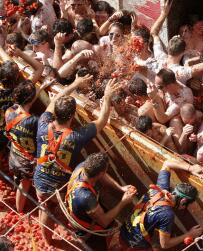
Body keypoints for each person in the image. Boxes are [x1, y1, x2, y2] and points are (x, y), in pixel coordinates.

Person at [33, 74, 120, 246]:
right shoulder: (76, 137)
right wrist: (107, 97)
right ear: (73, 116)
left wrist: (74, 83)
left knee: (45, 208)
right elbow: (102, 121)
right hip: (59, 187)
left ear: (55, 114)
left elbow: (54, 101)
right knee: (63, 209)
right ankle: (74, 236)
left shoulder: (43, 124)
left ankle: (47, 240)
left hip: (39, 182)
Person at [119, 159, 203, 250]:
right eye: (187, 205)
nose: (184, 208)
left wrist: (191, 168)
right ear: (183, 201)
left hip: (122, 233)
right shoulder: (167, 214)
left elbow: (167, 163)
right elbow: (165, 245)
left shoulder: (159, 188)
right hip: (133, 246)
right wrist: (189, 234)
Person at [66, 152, 137, 251]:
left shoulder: (83, 167)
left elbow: (103, 176)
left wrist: (120, 188)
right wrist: (123, 202)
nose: (105, 173)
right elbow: (104, 221)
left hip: (80, 208)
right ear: (100, 173)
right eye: (104, 171)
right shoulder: (86, 197)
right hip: (88, 230)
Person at [5, 80, 50, 212]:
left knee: (17, 177)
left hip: (14, 156)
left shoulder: (10, 112)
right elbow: (46, 117)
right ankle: (20, 210)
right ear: (31, 100)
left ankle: (15, 186)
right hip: (27, 164)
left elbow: (24, 105)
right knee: (24, 186)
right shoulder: (34, 121)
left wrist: (40, 88)